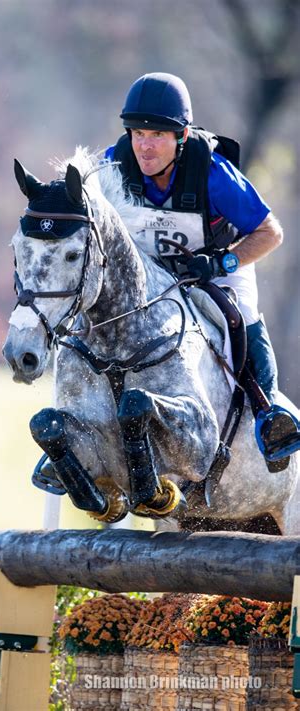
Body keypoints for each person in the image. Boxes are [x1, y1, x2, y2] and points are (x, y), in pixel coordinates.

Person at [105, 71, 300, 468]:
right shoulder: (114, 162)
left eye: (157, 135)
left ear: (181, 136)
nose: (144, 145)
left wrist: (222, 262)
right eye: (137, 133)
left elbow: (270, 232)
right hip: (152, 272)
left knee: (240, 315)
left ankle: (268, 415)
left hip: (216, 265)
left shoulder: (212, 172)